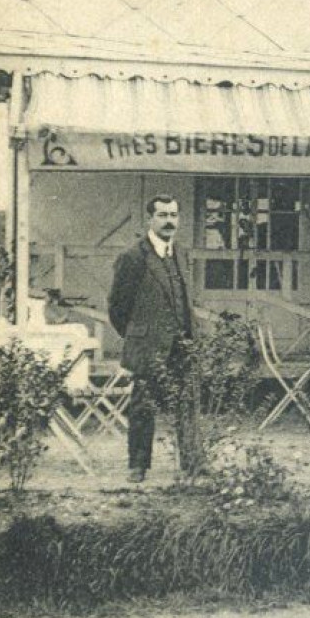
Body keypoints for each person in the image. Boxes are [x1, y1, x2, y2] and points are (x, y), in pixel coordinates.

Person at [107, 195, 195, 482]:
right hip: (148, 344)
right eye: (162, 215)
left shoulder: (181, 252)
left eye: (173, 215)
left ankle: (191, 462)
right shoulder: (134, 256)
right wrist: (138, 335)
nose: (169, 221)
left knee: (187, 402)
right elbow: (117, 307)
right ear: (150, 219)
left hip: (182, 342)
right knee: (143, 405)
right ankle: (138, 465)